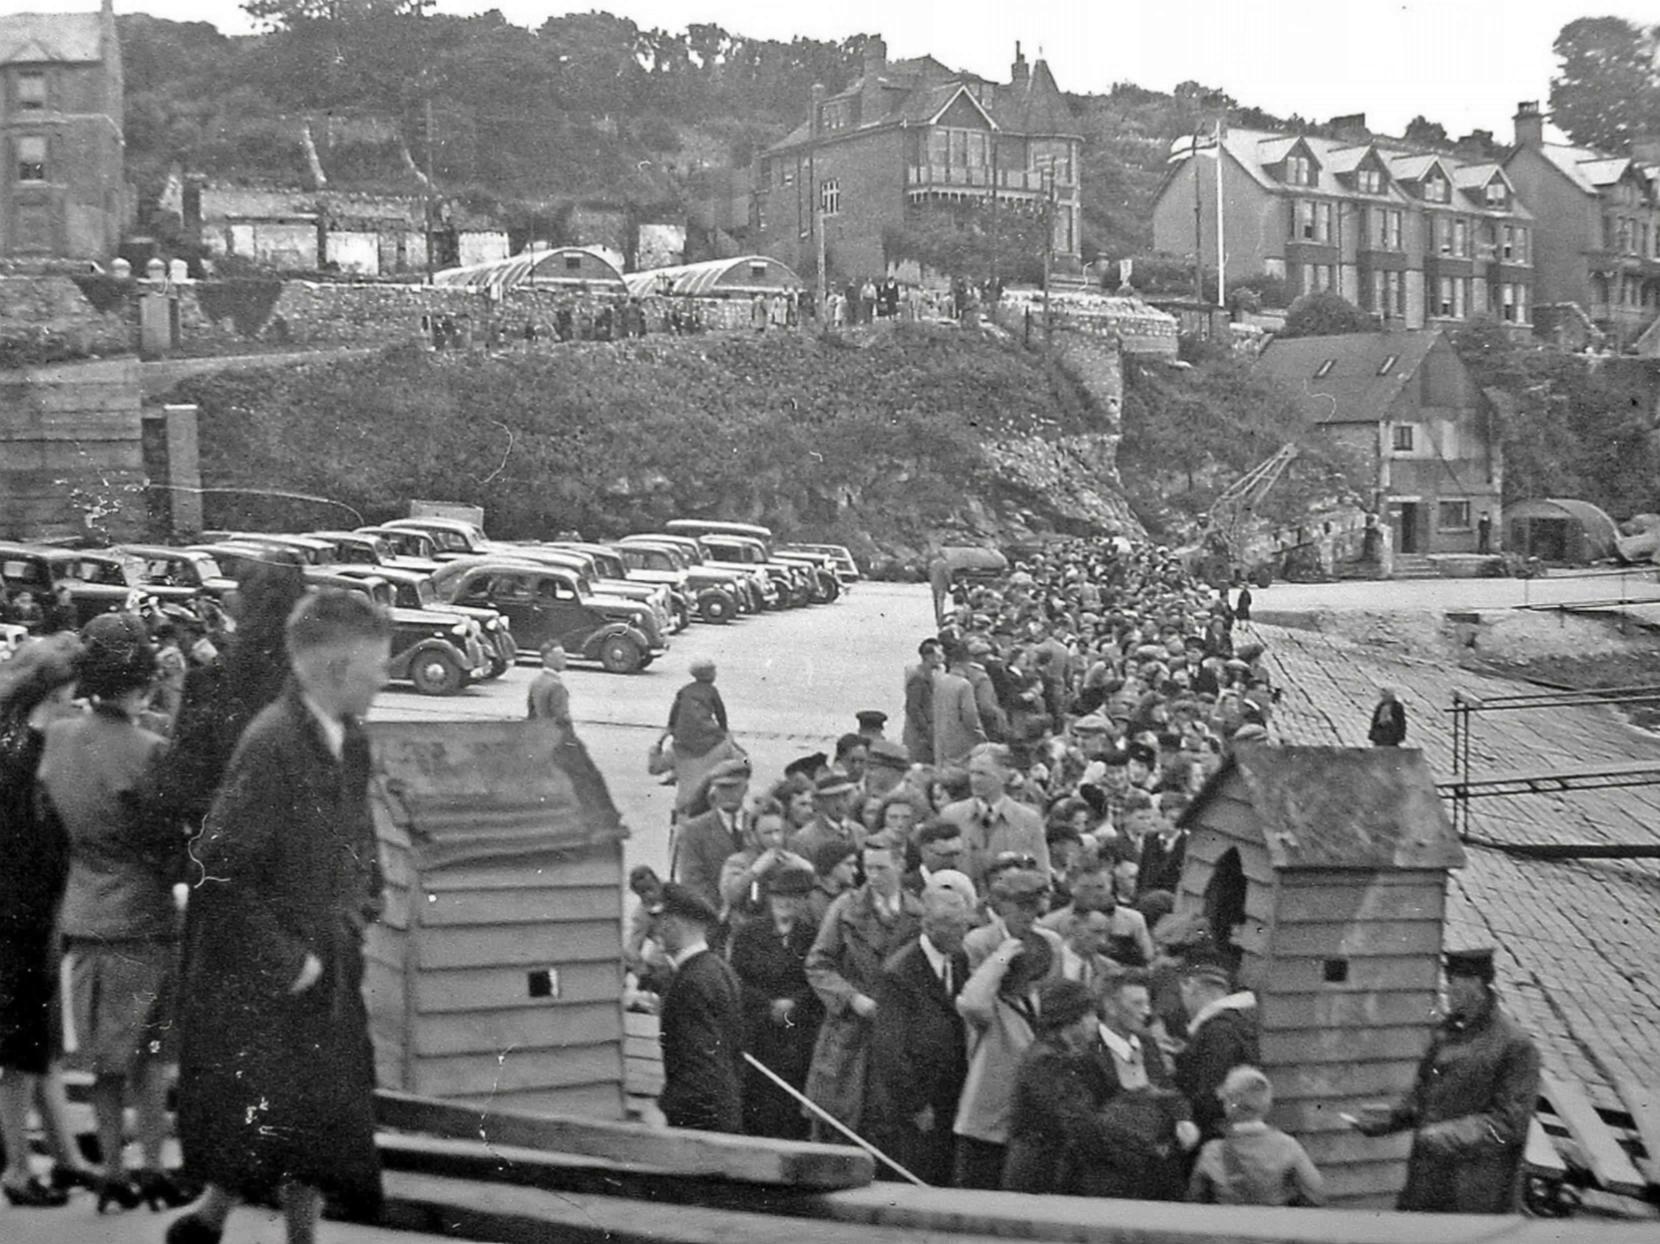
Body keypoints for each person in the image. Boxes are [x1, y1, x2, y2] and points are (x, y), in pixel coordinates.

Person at [171, 590, 394, 1244]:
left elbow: (359, 837)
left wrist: (364, 898)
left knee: (316, 1125)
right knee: (293, 1120)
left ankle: (211, 1224)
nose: (386, 677)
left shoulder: (349, 739)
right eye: (378, 664)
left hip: (325, 961)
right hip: (274, 981)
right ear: (336, 669)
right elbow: (215, 869)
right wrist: (288, 963)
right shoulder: (271, 745)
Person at [39, 613, 186, 1213]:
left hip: (83, 911)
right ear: (142, 680)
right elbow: (167, 844)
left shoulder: (59, 739)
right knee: (151, 1060)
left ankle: (112, 1172)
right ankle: (152, 1167)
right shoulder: (150, 752)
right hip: (144, 917)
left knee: (103, 1062)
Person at [0, 633, 100, 1208]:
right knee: (22, 1052)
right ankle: (19, 1170)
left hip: (20, 912)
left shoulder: (11, 743)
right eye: (72, 699)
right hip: (26, 916)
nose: (78, 708)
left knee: (38, 1047)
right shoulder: (36, 757)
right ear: (52, 696)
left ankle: (66, 1159)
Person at [1351, 947, 1540, 1213]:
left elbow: (1509, 1124)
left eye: (1454, 981)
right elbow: (1424, 1097)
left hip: (1475, 1192)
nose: (1448, 989)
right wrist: (1389, 1120)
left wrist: (1445, 1135)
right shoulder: (1446, 1032)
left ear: (1477, 983)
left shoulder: (1515, 1046)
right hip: (1427, 1182)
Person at [803, 834, 923, 1140]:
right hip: (848, 1033)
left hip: (897, 1037)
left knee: (889, 1127)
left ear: (901, 864)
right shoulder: (845, 908)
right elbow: (818, 964)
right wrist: (852, 998)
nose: (872, 875)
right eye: (867, 868)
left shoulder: (918, 913)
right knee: (839, 1124)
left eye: (881, 868)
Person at [868, 881, 973, 1185]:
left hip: (951, 1094)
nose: (962, 932)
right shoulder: (899, 973)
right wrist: (914, 1104)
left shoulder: (959, 959)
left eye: (965, 924)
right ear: (928, 925)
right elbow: (889, 1050)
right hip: (918, 1104)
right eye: (953, 925)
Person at [729, 864, 822, 1140]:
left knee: (793, 1106)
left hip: (798, 1033)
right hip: (759, 1032)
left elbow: (816, 980)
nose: (785, 904)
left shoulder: (811, 937)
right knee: (759, 1103)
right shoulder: (749, 934)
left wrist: (793, 1004)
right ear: (770, 899)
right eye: (780, 898)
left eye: (793, 899)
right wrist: (769, 1006)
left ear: (804, 902)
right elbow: (736, 980)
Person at [953, 930, 1053, 1188]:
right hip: (983, 1128)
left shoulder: (1033, 1002)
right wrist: (1002, 956)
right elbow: (970, 1002)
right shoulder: (990, 1009)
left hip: (1017, 1127)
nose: (1033, 984)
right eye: (1028, 977)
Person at [1000, 978, 1111, 1194]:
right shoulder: (1047, 1061)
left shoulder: (1064, 1056)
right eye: (1089, 1016)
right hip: (1038, 1175)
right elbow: (1073, 1116)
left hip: (1051, 1169)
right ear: (1070, 1019)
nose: (1096, 1023)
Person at [652, 883, 745, 1134]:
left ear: (674, 923)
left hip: (698, 1123)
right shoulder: (718, 969)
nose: (658, 930)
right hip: (724, 1113)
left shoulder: (690, 982)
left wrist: (662, 1109)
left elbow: (699, 1068)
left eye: (662, 921)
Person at [1188, 1065, 1323, 1206]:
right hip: (1276, 1225)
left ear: (1229, 1105)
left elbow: (1196, 1202)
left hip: (1229, 1226)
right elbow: (1315, 1194)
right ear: (1267, 1105)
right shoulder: (1288, 1146)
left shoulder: (1212, 1152)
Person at [1174, 956, 1260, 1142]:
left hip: (1215, 1139)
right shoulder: (1233, 1025)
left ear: (1191, 987)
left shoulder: (1218, 1032)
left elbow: (1210, 1093)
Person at [939, 744, 1049, 887]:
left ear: (1004, 775)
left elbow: (1042, 875)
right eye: (972, 773)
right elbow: (939, 871)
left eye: (982, 773)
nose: (974, 780)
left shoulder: (1028, 820)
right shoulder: (951, 815)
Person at [671, 757, 751, 915]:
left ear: (745, 788)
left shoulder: (758, 824)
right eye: (722, 788)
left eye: (734, 787)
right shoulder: (694, 830)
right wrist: (722, 913)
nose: (728, 794)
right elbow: (693, 882)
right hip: (712, 916)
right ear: (713, 790)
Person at [902, 638, 943, 764]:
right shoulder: (918, 678)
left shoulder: (932, 674)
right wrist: (927, 730)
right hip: (921, 736)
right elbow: (913, 708)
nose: (942, 658)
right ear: (928, 656)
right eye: (938, 655)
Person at [525, 640, 573, 738]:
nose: (565, 660)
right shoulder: (557, 686)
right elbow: (562, 717)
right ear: (549, 658)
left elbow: (531, 713)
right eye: (561, 657)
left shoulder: (536, 682)